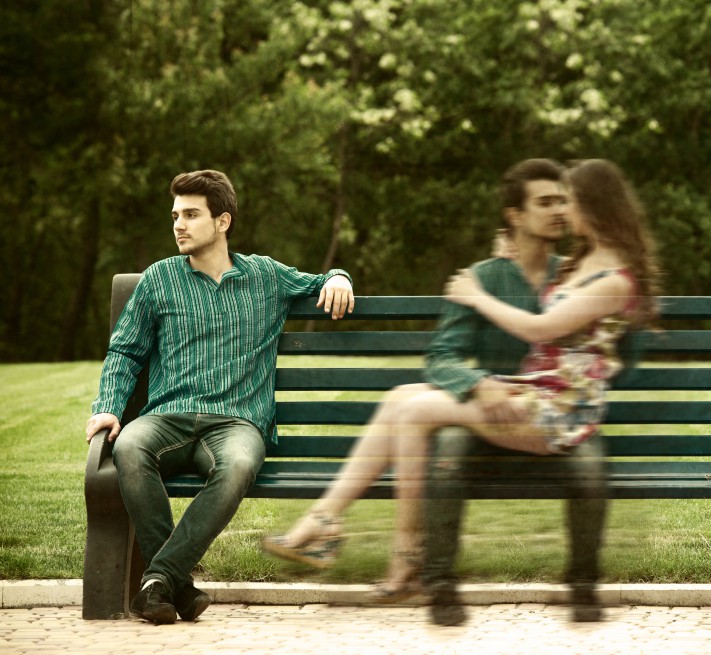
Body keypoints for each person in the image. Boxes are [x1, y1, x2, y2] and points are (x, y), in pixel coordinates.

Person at [262, 159, 659, 624]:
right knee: (399, 399)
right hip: (538, 394)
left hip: (556, 412)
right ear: (515, 215)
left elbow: (541, 327)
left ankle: (399, 555)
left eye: (566, 200)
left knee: (413, 413)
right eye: (548, 201)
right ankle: (334, 526)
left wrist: (477, 295)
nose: (560, 211)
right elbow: (456, 350)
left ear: (591, 205)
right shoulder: (577, 262)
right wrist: (499, 275)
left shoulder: (612, 278)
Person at [85, 169, 355, 625]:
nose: (178, 225)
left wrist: (340, 276)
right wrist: (109, 407)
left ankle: (159, 579)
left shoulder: (266, 276)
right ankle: (175, 585)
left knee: (239, 466)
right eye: (175, 215)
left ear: (223, 221)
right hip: (167, 417)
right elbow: (125, 351)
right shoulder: (159, 280)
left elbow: (320, 281)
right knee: (129, 446)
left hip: (237, 422)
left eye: (191, 214)